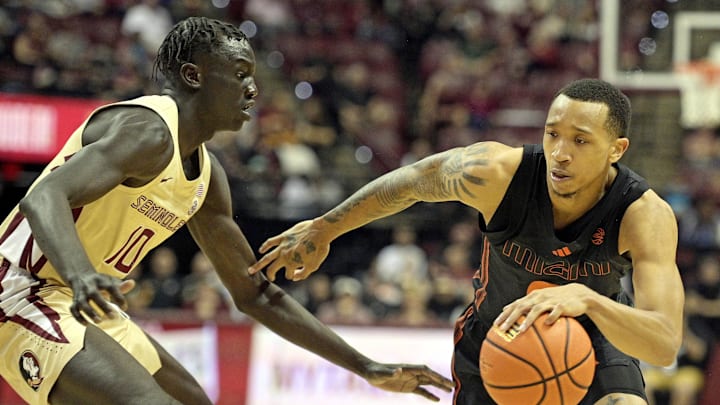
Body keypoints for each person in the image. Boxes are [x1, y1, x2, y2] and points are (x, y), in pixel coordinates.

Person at [0, 17, 453, 405]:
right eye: (239, 74)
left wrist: (366, 366)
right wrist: (81, 275)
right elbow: (43, 197)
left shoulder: (207, 177)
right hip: (23, 291)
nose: (254, 89)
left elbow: (255, 294)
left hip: (81, 301)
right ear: (195, 76)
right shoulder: (147, 130)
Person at [249, 78, 685, 404]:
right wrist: (325, 227)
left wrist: (587, 300)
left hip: (592, 341)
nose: (560, 153)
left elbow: (664, 343)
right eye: (553, 134)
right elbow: (414, 181)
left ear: (617, 149)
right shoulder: (499, 173)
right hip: (496, 341)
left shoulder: (643, 215)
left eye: (581, 140)